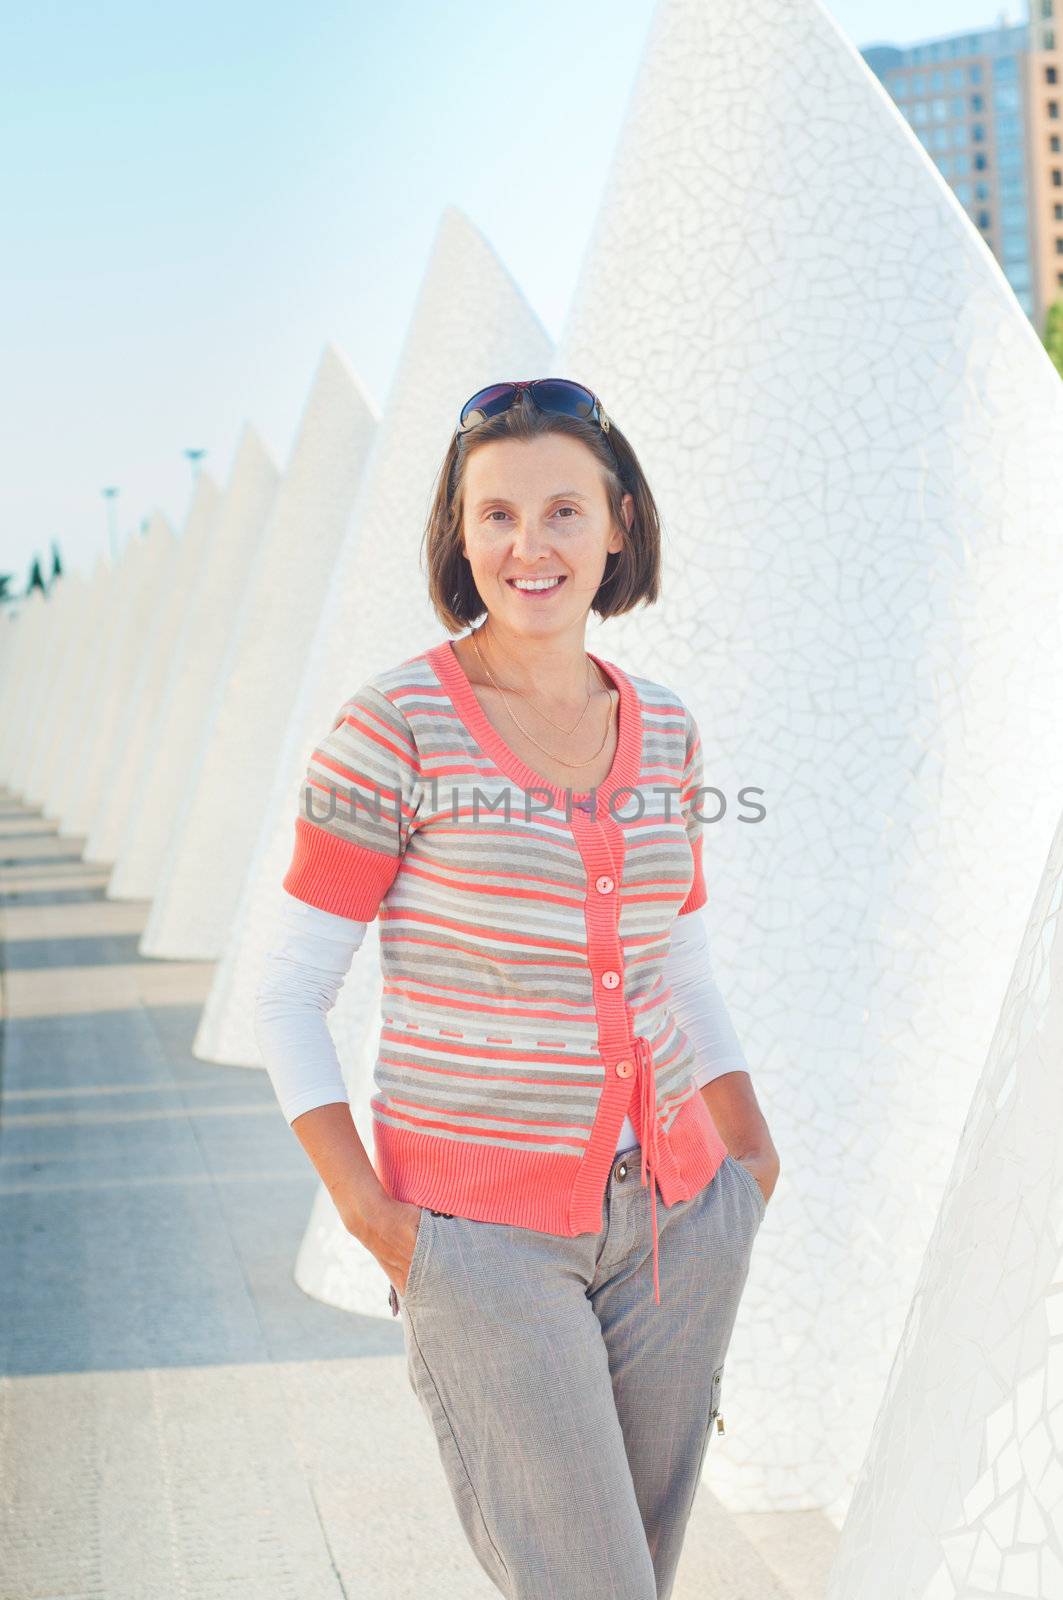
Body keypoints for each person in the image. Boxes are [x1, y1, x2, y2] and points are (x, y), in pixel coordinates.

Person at [255, 377, 780, 1600]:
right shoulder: (392, 728)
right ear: (458, 534)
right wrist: (382, 1226)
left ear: (619, 525)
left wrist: (747, 1160)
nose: (527, 546)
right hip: (481, 1243)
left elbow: (680, 961)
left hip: (675, 1224)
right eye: (494, 515)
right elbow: (290, 989)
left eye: (560, 511)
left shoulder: (667, 731)